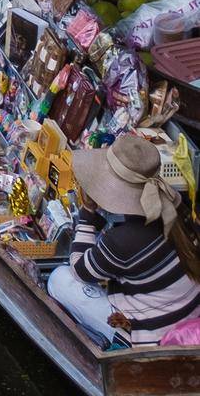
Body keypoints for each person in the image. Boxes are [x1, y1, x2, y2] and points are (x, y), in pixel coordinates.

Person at [47, 133, 200, 348]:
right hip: (188, 313)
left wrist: (88, 214)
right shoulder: (178, 207)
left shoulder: (121, 241)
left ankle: (113, 340)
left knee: (59, 279)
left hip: (150, 335)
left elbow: (79, 270)